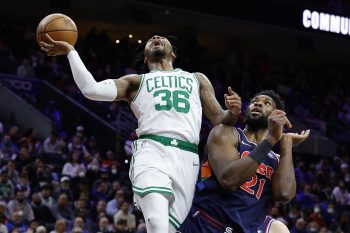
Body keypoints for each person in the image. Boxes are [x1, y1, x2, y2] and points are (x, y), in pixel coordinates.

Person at [40, 34, 241, 233]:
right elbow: (91, 89)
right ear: (145, 58)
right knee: (156, 222)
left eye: (163, 38)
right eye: (151, 39)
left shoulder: (196, 79)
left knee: (174, 229)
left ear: (173, 53)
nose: (155, 36)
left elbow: (220, 120)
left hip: (187, 158)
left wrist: (232, 112)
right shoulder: (136, 82)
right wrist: (71, 52)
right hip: (152, 150)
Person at [179, 90, 310, 233]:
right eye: (255, 101)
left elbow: (284, 195)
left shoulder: (276, 159)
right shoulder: (226, 133)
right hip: (206, 225)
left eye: (267, 103)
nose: (258, 103)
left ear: (278, 115)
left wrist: (287, 144)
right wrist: (271, 140)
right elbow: (229, 180)